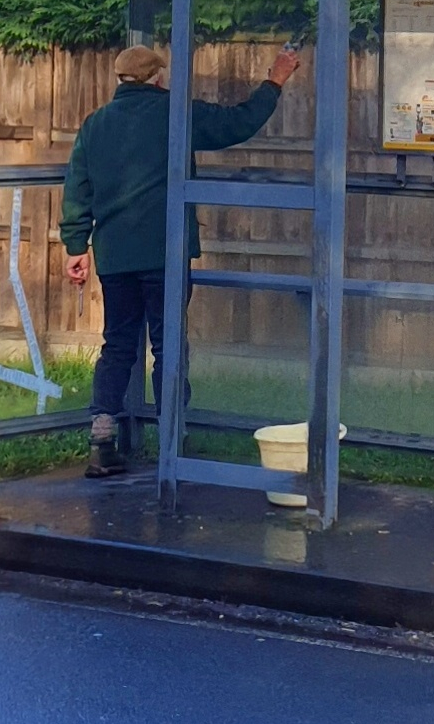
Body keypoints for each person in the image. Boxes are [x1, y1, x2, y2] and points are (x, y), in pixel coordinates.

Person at [60, 43, 301, 478]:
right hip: (164, 253)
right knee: (168, 344)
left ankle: (101, 438)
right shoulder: (174, 114)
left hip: (114, 256)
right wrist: (276, 79)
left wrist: (76, 246)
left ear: (121, 79)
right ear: (157, 78)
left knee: (117, 345)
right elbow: (237, 123)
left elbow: (77, 187)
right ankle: (172, 441)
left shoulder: (94, 124)